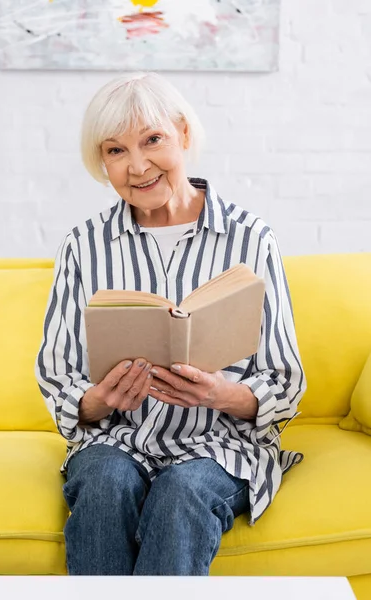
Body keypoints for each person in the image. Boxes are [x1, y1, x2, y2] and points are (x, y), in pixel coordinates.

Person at [35, 71, 307, 576]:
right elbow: (58, 377)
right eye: (115, 151)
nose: (137, 166)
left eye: (152, 140)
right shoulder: (83, 246)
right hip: (115, 439)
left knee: (182, 491)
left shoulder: (250, 240)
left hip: (221, 444)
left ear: (183, 133)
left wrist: (218, 394)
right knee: (104, 483)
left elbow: (284, 381)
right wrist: (100, 400)